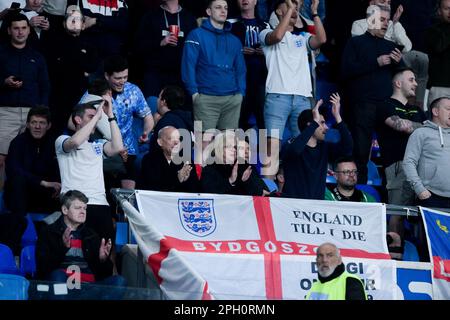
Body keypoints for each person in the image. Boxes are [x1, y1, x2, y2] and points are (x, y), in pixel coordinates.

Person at [259, 0, 326, 178]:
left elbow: (321, 39)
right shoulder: (265, 32)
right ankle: (269, 190)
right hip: (277, 97)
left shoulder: (302, 37)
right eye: (289, 5)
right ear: (278, 11)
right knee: (272, 147)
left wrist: (314, 13)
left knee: (304, 145)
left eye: (296, 6)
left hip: (302, 99)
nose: (295, 8)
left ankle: (298, 190)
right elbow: (277, 36)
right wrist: (290, 7)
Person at [341, 4, 404, 183]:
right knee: (361, 150)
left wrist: (399, 63)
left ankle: (390, 191)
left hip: (386, 104)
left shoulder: (391, 45)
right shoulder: (356, 43)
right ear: (371, 20)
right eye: (382, 20)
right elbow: (345, 71)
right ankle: (360, 191)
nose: (385, 24)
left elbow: (401, 76)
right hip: (363, 104)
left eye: (387, 20)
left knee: (392, 151)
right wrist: (375, 62)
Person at [55, 95, 124, 243]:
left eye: (96, 117)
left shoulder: (97, 145)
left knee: (106, 250)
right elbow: (74, 142)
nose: (97, 120)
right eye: (91, 116)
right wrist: (97, 116)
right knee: (76, 250)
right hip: (75, 204)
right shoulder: (61, 140)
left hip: (100, 204)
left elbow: (118, 147)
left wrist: (110, 116)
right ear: (78, 120)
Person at [35, 190, 126, 297]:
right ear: (65, 210)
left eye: (85, 208)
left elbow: (104, 274)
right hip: (63, 289)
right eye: (78, 208)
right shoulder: (49, 232)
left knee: (119, 282)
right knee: (58, 276)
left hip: (88, 290)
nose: (83, 212)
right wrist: (62, 248)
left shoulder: (91, 235)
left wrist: (103, 260)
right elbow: (43, 269)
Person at [0, 13, 50, 189]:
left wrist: (42, 112)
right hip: (6, 112)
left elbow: (45, 86)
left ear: (29, 30)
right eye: (16, 28)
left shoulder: (38, 57)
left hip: (33, 115)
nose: (20, 32)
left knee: (29, 159)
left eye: (23, 28)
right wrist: (4, 82)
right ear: (8, 30)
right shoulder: (1, 54)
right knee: (2, 159)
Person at [181, 0, 246, 132]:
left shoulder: (235, 40)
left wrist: (240, 93)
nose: (223, 11)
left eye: (226, 8)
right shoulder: (196, 35)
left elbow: (241, 70)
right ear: (209, 11)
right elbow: (188, 66)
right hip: (206, 97)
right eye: (218, 7)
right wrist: (194, 93)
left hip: (232, 99)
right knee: (204, 144)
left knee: (227, 146)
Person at [281, 93, 353, 200]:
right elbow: (295, 151)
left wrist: (338, 117)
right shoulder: (290, 144)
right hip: (292, 207)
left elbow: (347, 149)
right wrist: (315, 123)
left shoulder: (324, 148)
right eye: (322, 123)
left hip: (316, 209)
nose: (326, 127)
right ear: (310, 124)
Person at [100, 55, 154, 189]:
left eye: (125, 77)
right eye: (118, 78)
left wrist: (146, 132)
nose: (122, 81)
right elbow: (75, 120)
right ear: (107, 76)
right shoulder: (96, 91)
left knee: (128, 194)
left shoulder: (133, 90)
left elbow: (147, 116)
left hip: (127, 149)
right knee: (106, 190)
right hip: (103, 149)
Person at [44, 6, 98, 135]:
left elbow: (92, 67)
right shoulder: (54, 43)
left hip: (81, 98)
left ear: (84, 25)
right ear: (64, 23)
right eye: (71, 20)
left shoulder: (90, 45)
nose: (74, 23)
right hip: (58, 99)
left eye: (78, 20)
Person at [134, 0, 197, 104]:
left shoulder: (189, 18)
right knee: (153, 110)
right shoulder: (150, 16)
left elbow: (195, 49)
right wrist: (160, 42)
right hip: (155, 75)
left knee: (178, 113)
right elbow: (138, 46)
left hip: (180, 76)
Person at [403, 96, 450, 208]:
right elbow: (408, 162)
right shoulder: (421, 133)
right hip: (431, 196)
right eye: (448, 109)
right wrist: (420, 189)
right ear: (435, 111)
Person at [231, 0, 270, 130]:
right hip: (237, 80)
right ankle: (238, 150)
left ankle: (265, 150)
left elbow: (275, 51)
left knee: (264, 121)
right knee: (238, 121)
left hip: (261, 80)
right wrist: (238, 50)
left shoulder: (266, 25)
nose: (244, 0)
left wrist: (266, 52)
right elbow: (221, 48)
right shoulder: (230, 24)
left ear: (255, 1)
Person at [201, 130, 269, 196]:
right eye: (229, 146)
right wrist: (230, 181)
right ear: (219, 149)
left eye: (235, 147)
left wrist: (246, 182)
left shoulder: (245, 167)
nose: (234, 150)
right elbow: (209, 195)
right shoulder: (209, 170)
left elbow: (264, 192)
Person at [139, 126, 199, 193]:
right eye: (171, 139)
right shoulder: (150, 159)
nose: (176, 142)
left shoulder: (186, 160)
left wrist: (187, 180)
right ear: (160, 142)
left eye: (178, 139)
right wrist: (178, 178)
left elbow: (195, 191)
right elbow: (153, 189)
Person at [150, 85, 193, 151]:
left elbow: (156, 151)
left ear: (163, 102)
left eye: (159, 97)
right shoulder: (189, 118)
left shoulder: (165, 122)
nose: (157, 100)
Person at [425, 0, 450, 107]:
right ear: (439, 11)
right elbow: (439, 47)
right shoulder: (433, 30)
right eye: (447, 8)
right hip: (440, 87)